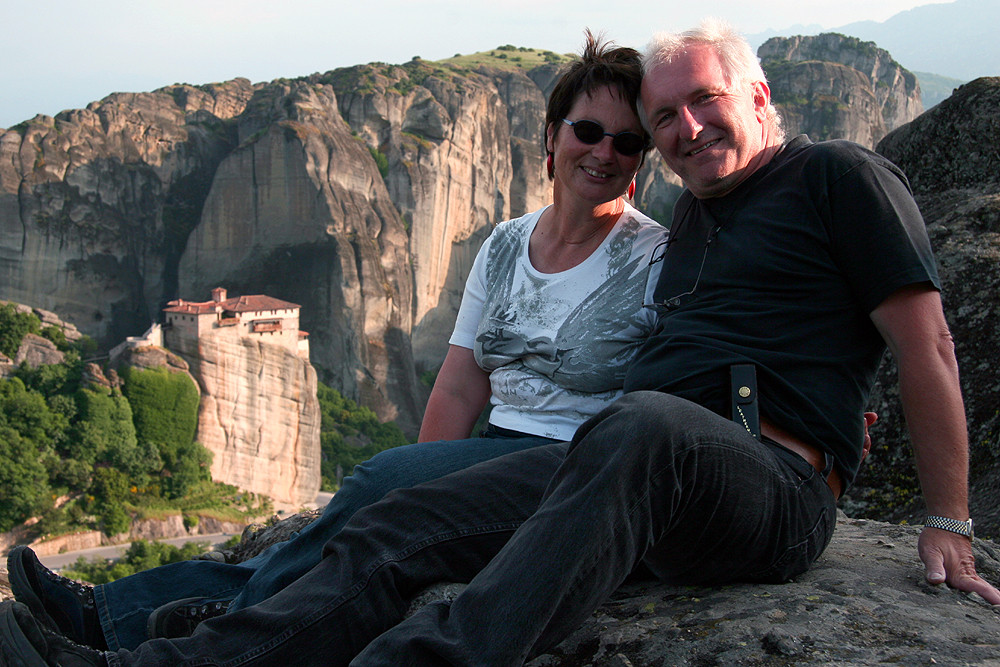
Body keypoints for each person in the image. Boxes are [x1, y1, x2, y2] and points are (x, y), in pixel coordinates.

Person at [2, 20, 980, 667]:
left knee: (639, 423)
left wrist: (948, 519)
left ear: (759, 96)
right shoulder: (693, 220)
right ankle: (151, 659)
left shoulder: (836, 176)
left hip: (770, 481)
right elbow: (481, 368)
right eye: (663, 117)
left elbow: (926, 342)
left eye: (701, 104)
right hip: (617, 463)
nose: (681, 128)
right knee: (396, 521)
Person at [1, 33, 667, 660]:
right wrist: (427, 482)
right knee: (373, 502)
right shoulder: (504, 244)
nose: (604, 152)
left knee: (373, 484)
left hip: (575, 468)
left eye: (628, 141)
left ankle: (135, 627)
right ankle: (117, 612)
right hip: (492, 446)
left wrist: (411, 488)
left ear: (640, 160)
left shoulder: (654, 259)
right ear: (553, 136)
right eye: (587, 130)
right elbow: (460, 384)